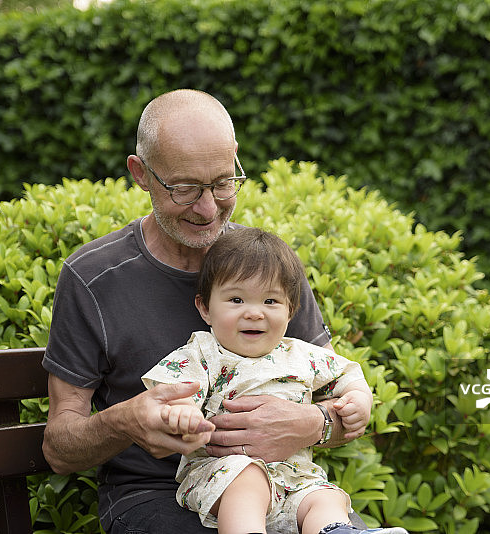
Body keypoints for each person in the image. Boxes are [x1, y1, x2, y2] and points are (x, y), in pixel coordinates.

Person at [41, 89, 365, 533]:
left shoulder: (266, 266)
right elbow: (59, 449)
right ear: (141, 173)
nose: (209, 207)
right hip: (151, 497)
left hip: (290, 490)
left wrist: (316, 422)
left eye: (223, 182)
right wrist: (126, 420)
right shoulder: (94, 278)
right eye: (186, 188)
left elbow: (339, 394)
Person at [142, 228, 407, 534]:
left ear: (291, 311)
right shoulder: (204, 352)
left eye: (270, 301)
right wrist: (182, 412)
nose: (254, 313)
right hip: (223, 473)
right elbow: (171, 390)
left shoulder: (301, 354)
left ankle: (334, 531)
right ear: (205, 308)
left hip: (295, 479)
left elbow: (348, 374)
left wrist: (358, 400)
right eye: (237, 299)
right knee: (247, 480)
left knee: (325, 497)